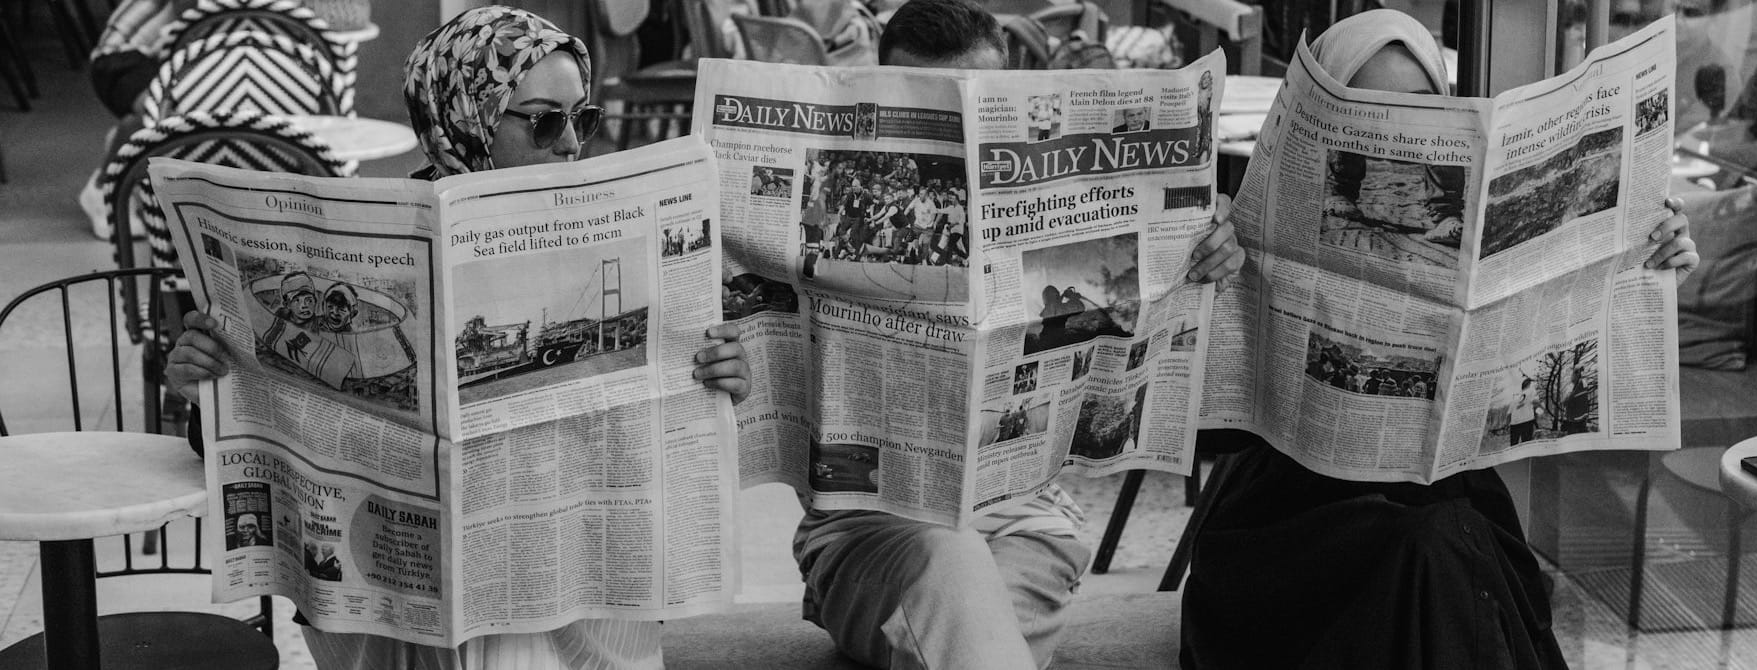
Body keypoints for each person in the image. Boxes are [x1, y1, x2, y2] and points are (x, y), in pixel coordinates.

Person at [161, 7, 753, 669]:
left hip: (574, 583)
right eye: (545, 119)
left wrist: (720, 378)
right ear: (465, 117)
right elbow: (263, 438)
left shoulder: (616, 229)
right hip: (403, 583)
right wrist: (206, 383)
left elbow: (675, 431)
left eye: (580, 119)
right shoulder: (371, 247)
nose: (569, 145)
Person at [1179, 10, 1700, 669]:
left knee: (1436, 544)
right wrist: (1198, 282)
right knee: (1434, 553)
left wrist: (1642, 265)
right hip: (1286, 534)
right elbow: (1193, 429)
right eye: (1370, 108)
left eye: (1421, 108)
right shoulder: (1249, 228)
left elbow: (1544, 398)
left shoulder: (1483, 230)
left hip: (1441, 519)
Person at [789, 2, 1243, 668]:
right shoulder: (829, 201)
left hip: (1024, 519)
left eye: (983, 101)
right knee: (949, 563)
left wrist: (1201, 256)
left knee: (958, 627)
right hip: (869, 526)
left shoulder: (1064, 191)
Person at [1509, 377, 1543, 445]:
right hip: (1527, 422)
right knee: (1527, 445)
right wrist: (1542, 407)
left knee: (1513, 446)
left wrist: (1507, 425)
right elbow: (1536, 402)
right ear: (1529, 385)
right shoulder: (1531, 391)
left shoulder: (1516, 397)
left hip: (1514, 424)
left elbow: (1508, 414)